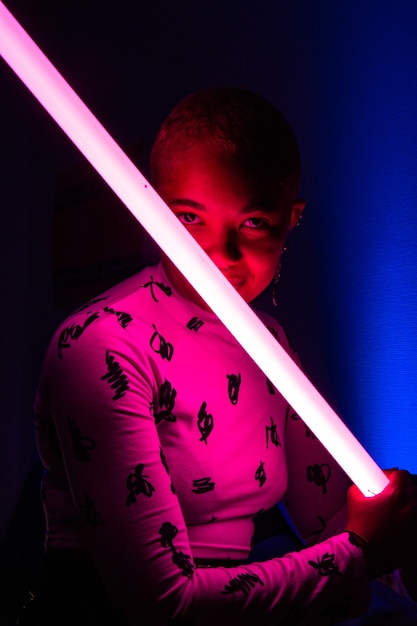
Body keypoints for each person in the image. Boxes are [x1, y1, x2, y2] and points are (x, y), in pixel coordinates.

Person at [24, 87, 417, 625]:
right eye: (190, 217)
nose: (220, 256)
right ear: (151, 206)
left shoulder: (268, 345)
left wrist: (396, 534)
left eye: (254, 222)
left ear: (291, 219)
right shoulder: (102, 344)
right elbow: (160, 604)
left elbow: (335, 523)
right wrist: (360, 553)